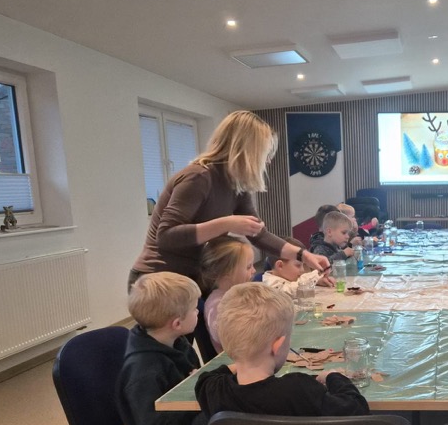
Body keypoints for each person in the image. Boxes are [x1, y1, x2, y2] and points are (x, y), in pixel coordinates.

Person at [129, 110, 328, 290]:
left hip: (190, 278)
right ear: (246, 149)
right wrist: (227, 223)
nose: (268, 161)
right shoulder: (198, 177)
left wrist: (303, 255)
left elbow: (259, 235)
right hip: (157, 280)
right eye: (265, 153)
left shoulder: (236, 185)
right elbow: (166, 236)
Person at [195, 283, 369, 419]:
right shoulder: (299, 389)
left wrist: (244, 356)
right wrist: (333, 376)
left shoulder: (213, 390)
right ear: (277, 346)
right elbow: (356, 408)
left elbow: (207, 377)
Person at [116, 272, 208, 425]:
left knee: (229, 406)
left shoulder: (177, 342)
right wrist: (192, 392)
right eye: (194, 309)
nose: (197, 312)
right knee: (231, 420)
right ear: (177, 323)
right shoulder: (144, 371)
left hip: (185, 421)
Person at [200, 235, 256, 355]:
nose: (254, 270)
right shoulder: (217, 304)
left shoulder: (240, 293)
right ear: (227, 272)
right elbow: (225, 336)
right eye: (248, 267)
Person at [263, 236, 332, 294]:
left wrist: (318, 281)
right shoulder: (271, 285)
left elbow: (297, 284)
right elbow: (292, 290)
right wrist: (318, 274)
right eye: (298, 265)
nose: (302, 270)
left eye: (303, 265)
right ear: (280, 266)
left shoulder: (287, 277)